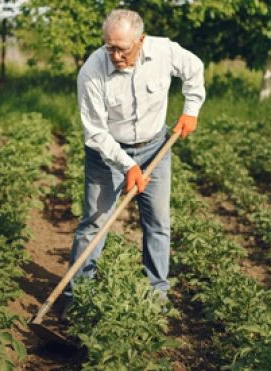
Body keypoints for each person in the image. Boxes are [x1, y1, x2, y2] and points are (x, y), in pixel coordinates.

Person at [61, 9, 205, 320]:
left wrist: (191, 109)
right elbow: (96, 132)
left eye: (122, 48)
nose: (115, 55)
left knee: (158, 223)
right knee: (94, 223)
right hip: (107, 155)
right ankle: (78, 297)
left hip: (156, 147)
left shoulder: (164, 51)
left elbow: (194, 69)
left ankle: (156, 295)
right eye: (109, 47)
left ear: (140, 40)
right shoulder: (91, 71)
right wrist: (128, 166)